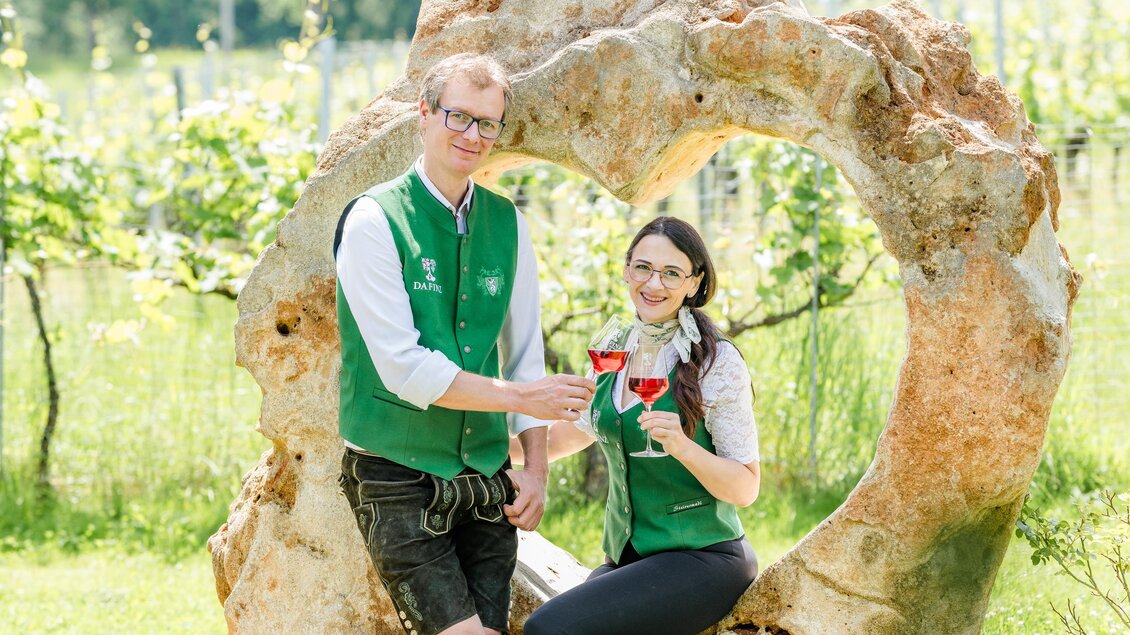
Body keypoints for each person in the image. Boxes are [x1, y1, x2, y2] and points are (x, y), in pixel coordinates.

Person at [333, 53, 596, 635]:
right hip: (394, 472)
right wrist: (524, 398)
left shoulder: (509, 223)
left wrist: (535, 471)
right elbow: (404, 368)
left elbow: (525, 348)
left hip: (487, 474)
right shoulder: (374, 220)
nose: (472, 135)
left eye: (487, 123)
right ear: (424, 115)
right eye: (458, 116)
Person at [516, 217, 761, 635]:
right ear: (627, 270)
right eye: (643, 268)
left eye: (671, 273)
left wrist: (683, 447)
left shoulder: (717, 363)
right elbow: (567, 437)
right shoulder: (616, 347)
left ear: (694, 282)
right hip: (628, 558)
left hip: (704, 556)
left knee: (548, 628)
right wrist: (486, 448)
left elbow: (745, 488)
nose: (654, 283)